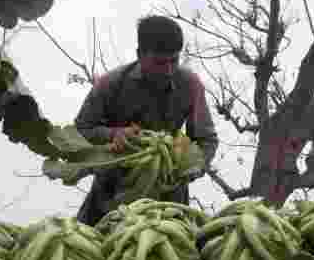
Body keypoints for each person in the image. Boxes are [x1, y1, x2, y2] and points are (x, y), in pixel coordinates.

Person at [73, 15, 219, 226]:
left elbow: (207, 140)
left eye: (174, 61)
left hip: (169, 199)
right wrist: (114, 134)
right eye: (160, 62)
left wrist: (191, 167)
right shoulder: (110, 84)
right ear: (140, 55)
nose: (169, 70)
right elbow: (81, 131)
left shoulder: (190, 84)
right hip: (112, 194)